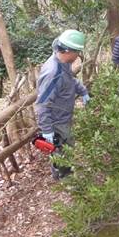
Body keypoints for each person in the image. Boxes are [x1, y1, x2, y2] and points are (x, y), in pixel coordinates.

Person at [35, 29, 90, 179]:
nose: (78, 55)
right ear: (68, 51)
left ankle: (62, 175)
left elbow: (70, 80)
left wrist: (83, 91)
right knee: (63, 154)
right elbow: (42, 104)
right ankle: (67, 181)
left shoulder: (63, 63)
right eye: (77, 52)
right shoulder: (53, 72)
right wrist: (47, 130)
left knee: (63, 152)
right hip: (57, 122)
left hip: (64, 117)